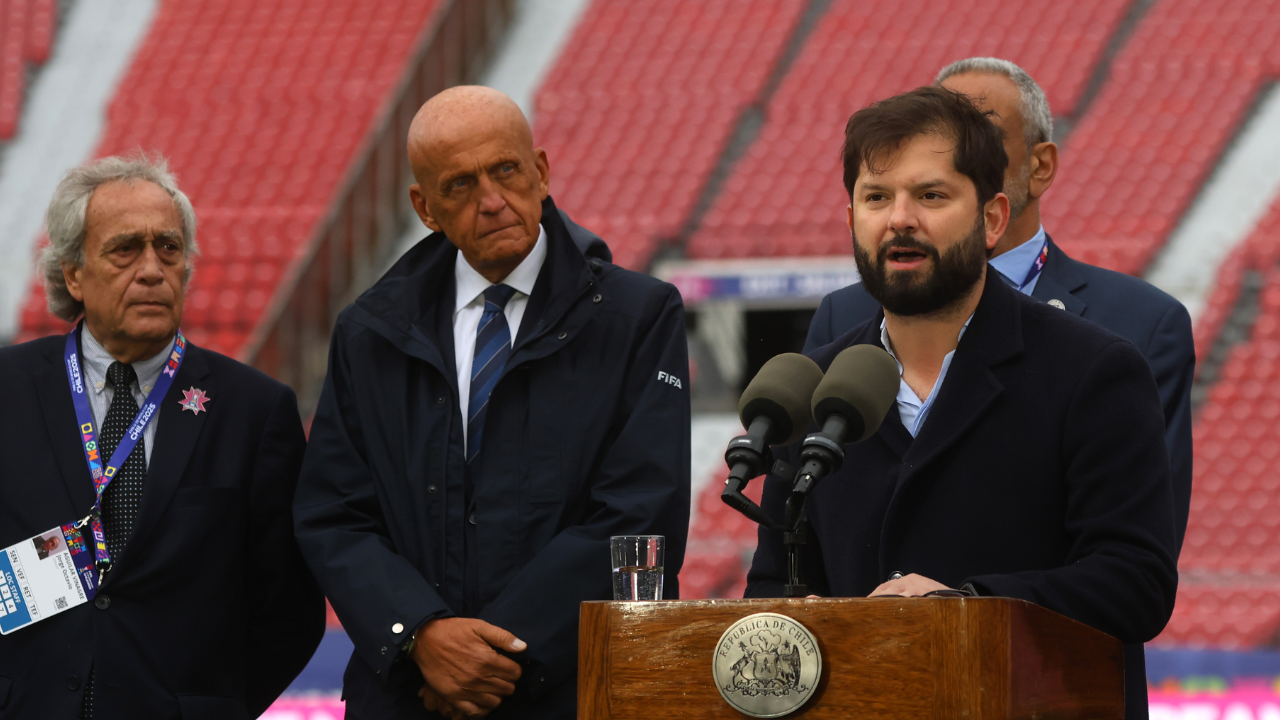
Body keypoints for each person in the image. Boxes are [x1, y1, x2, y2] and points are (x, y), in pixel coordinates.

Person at [747, 86, 1178, 720]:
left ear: (994, 218)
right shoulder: (812, 388)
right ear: (851, 222)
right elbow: (773, 585)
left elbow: (1135, 582)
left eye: (931, 195)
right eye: (876, 197)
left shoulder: (1093, 370)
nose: (899, 219)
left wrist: (967, 603)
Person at [294, 86, 690, 720]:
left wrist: (492, 659)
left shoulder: (638, 317)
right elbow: (333, 514)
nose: (491, 200)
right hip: (407, 694)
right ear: (425, 208)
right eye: (459, 185)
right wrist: (420, 634)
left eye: (505, 170)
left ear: (540, 171)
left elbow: (641, 509)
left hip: (577, 693)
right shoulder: (368, 332)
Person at [803, 58, 1194, 559]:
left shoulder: (1140, 325)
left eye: (979, 134)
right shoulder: (842, 320)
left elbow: (1133, 562)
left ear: (1040, 165)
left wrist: (958, 606)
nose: (902, 216)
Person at [0, 155, 325, 718]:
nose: (152, 269)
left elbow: (289, 612)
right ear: (73, 273)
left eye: (168, 249)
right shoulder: (6, 391)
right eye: (125, 248)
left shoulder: (254, 412)